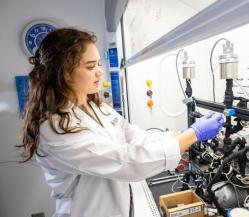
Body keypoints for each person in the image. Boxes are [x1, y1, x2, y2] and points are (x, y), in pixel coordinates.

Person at [18, 28, 224, 217]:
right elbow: (125, 160)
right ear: (63, 72)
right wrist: (193, 135)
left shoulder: (97, 108)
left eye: (98, 64)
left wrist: (183, 133)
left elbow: (135, 137)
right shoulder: (54, 128)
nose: (99, 71)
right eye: (90, 67)